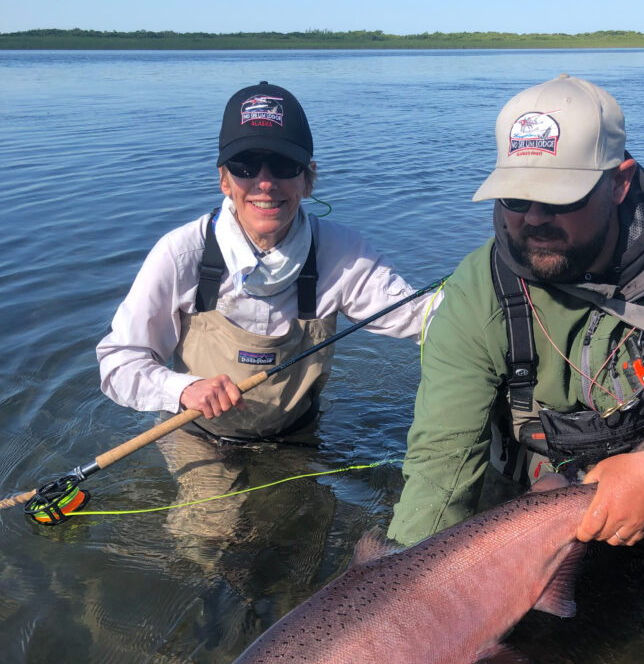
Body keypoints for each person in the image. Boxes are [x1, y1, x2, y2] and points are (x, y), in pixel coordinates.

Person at [388, 74, 644, 550]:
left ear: (620, 183)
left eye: (560, 197)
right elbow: (439, 468)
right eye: (516, 197)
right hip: (531, 501)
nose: (534, 217)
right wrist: (402, 570)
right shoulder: (472, 296)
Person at [97, 82, 439, 544]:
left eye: (283, 165)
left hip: (299, 433)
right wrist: (184, 388)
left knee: (307, 535)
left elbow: (424, 317)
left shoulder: (341, 251)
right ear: (223, 179)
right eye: (245, 166)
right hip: (198, 434)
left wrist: (502, 303)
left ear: (308, 178)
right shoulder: (182, 254)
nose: (264, 183)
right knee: (210, 540)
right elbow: (118, 361)